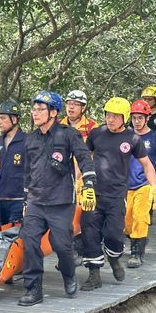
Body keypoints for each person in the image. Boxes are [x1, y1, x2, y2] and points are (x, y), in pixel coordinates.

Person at [17, 91, 97, 306]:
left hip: (61, 202)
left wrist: (89, 182)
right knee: (30, 242)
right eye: (34, 109)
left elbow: (84, 158)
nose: (35, 113)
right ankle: (33, 289)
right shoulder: (30, 139)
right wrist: (25, 199)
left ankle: (69, 275)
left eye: (41, 109)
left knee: (62, 245)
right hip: (35, 201)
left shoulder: (68, 134)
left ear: (53, 112)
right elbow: (27, 171)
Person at [80, 97, 156, 291]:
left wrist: (154, 187)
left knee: (114, 235)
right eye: (108, 114)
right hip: (93, 194)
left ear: (124, 117)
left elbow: (147, 165)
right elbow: (84, 158)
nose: (111, 119)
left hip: (116, 196)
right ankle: (94, 274)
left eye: (115, 116)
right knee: (89, 233)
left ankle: (114, 259)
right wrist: (78, 182)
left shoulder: (132, 139)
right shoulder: (96, 134)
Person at [125, 100, 156, 268]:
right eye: (134, 117)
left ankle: (136, 254)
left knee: (140, 218)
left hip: (145, 184)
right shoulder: (125, 135)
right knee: (127, 223)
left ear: (147, 119)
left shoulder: (155, 138)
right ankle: (139, 238)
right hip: (124, 185)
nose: (136, 121)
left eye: (140, 118)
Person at [60, 90, 99, 264]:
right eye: (69, 104)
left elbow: (96, 152)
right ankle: (70, 250)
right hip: (63, 176)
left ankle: (81, 249)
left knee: (83, 212)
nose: (71, 107)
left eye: (75, 104)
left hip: (84, 176)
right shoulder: (58, 124)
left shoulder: (92, 127)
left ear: (83, 107)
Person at [0, 100, 27, 225]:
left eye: (3, 118)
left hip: (20, 201)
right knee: (2, 237)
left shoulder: (28, 141)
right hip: (1, 200)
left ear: (14, 119)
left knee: (16, 239)